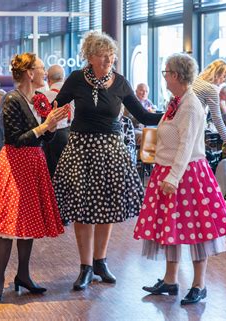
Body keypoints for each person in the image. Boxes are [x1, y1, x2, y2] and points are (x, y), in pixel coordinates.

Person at [52, 31, 162, 291]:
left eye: (111, 56)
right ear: (90, 57)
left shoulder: (121, 82)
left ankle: (100, 262)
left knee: (107, 207)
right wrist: (43, 116)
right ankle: (85, 267)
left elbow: (144, 117)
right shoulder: (77, 79)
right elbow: (55, 105)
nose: (109, 60)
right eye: (104, 56)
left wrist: (174, 113)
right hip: (81, 149)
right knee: (82, 209)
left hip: (111, 150)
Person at [133, 53, 226, 305]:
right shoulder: (176, 101)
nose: (164, 77)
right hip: (169, 170)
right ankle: (170, 280)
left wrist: (173, 177)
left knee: (197, 231)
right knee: (172, 228)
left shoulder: (189, 104)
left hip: (186, 173)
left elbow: (186, 146)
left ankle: (199, 285)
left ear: (176, 76)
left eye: (166, 72)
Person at [0, 53, 69, 304]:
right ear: (30, 73)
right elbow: (14, 140)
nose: (44, 73)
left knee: (27, 222)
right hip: (14, 164)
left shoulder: (39, 99)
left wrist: (51, 127)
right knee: (6, 226)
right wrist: (45, 125)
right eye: (41, 69)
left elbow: (42, 139)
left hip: (33, 163)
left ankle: (23, 274)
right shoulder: (12, 99)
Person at [192, 59, 226, 154]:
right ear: (217, 74)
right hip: (193, 128)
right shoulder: (211, 89)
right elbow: (217, 119)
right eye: (224, 76)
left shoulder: (194, 81)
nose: (225, 80)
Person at [42, 64, 74, 177]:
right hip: (72, 135)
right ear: (63, 78)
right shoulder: (74, 93)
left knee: (53, 172)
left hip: (54, 136)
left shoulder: (43, 96)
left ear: (48, 80)